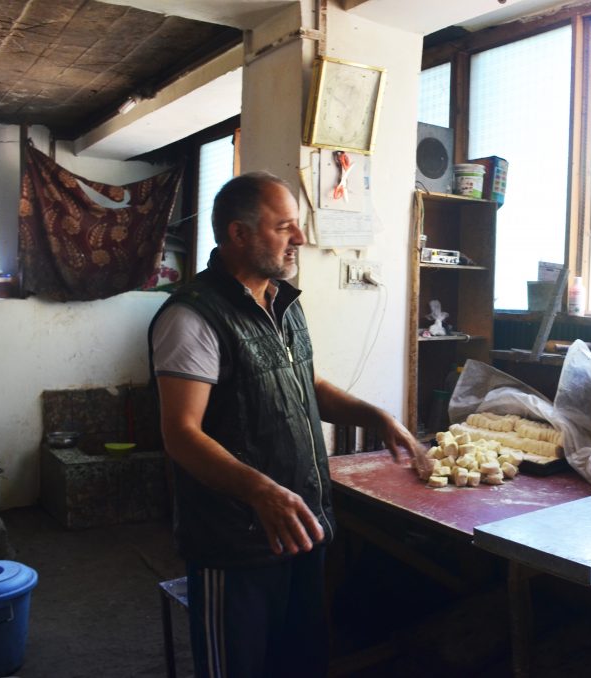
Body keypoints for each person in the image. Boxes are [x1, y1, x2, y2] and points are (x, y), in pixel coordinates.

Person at [148, 171, 424, 677]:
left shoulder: (283, 303)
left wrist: (375, 416)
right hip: (236, 543)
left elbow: (306, 385)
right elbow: (181, 434)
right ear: (239, 234)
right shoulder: (192, 317)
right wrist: (262, 492)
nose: (300, 238)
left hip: (302, 527)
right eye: (285, 227)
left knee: (298, 662)